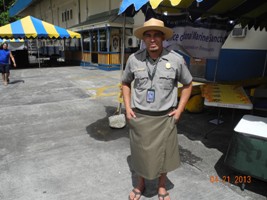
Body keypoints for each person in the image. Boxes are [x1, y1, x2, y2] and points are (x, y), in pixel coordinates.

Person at [121, 18, 193, 200]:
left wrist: (180, 110)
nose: (152, 39)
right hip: (140, 117)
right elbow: (125, 82)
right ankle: (141, 184)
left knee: (164, 156)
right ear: (143, 39)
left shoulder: (176, 60)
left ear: (162, 38)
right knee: (140, 155)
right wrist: (128, 107)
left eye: (156, 35)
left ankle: (161, 187)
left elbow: (188, 84)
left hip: (165, 118)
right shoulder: (134, 59)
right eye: (148, 35)